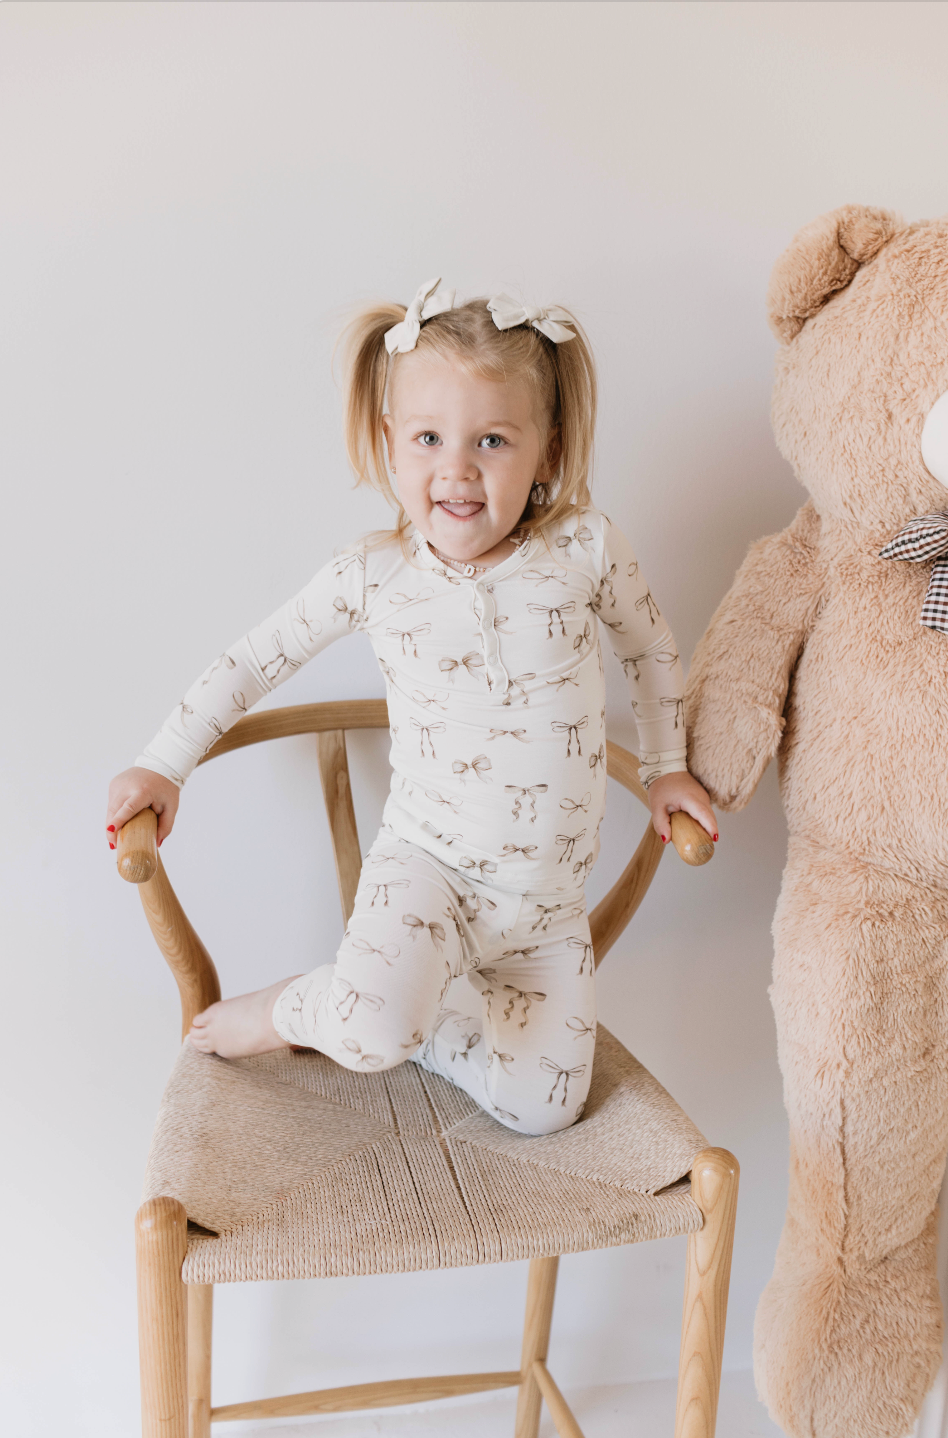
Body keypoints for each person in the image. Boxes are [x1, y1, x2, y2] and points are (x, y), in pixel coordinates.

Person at [106, 279, 717, 1136]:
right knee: (366, 1028)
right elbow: (252, 660)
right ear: (392, 445)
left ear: (547, 451)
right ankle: (299, 1009)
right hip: (428, 872)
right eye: (428, 438)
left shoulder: (585, 549)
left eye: (492, 440)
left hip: (546, 908)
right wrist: (164, 759)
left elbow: (650, 652)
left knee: (545, 1107)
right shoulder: (375, 572)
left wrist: (665, 768)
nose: (457, 468)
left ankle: (423, 1030)